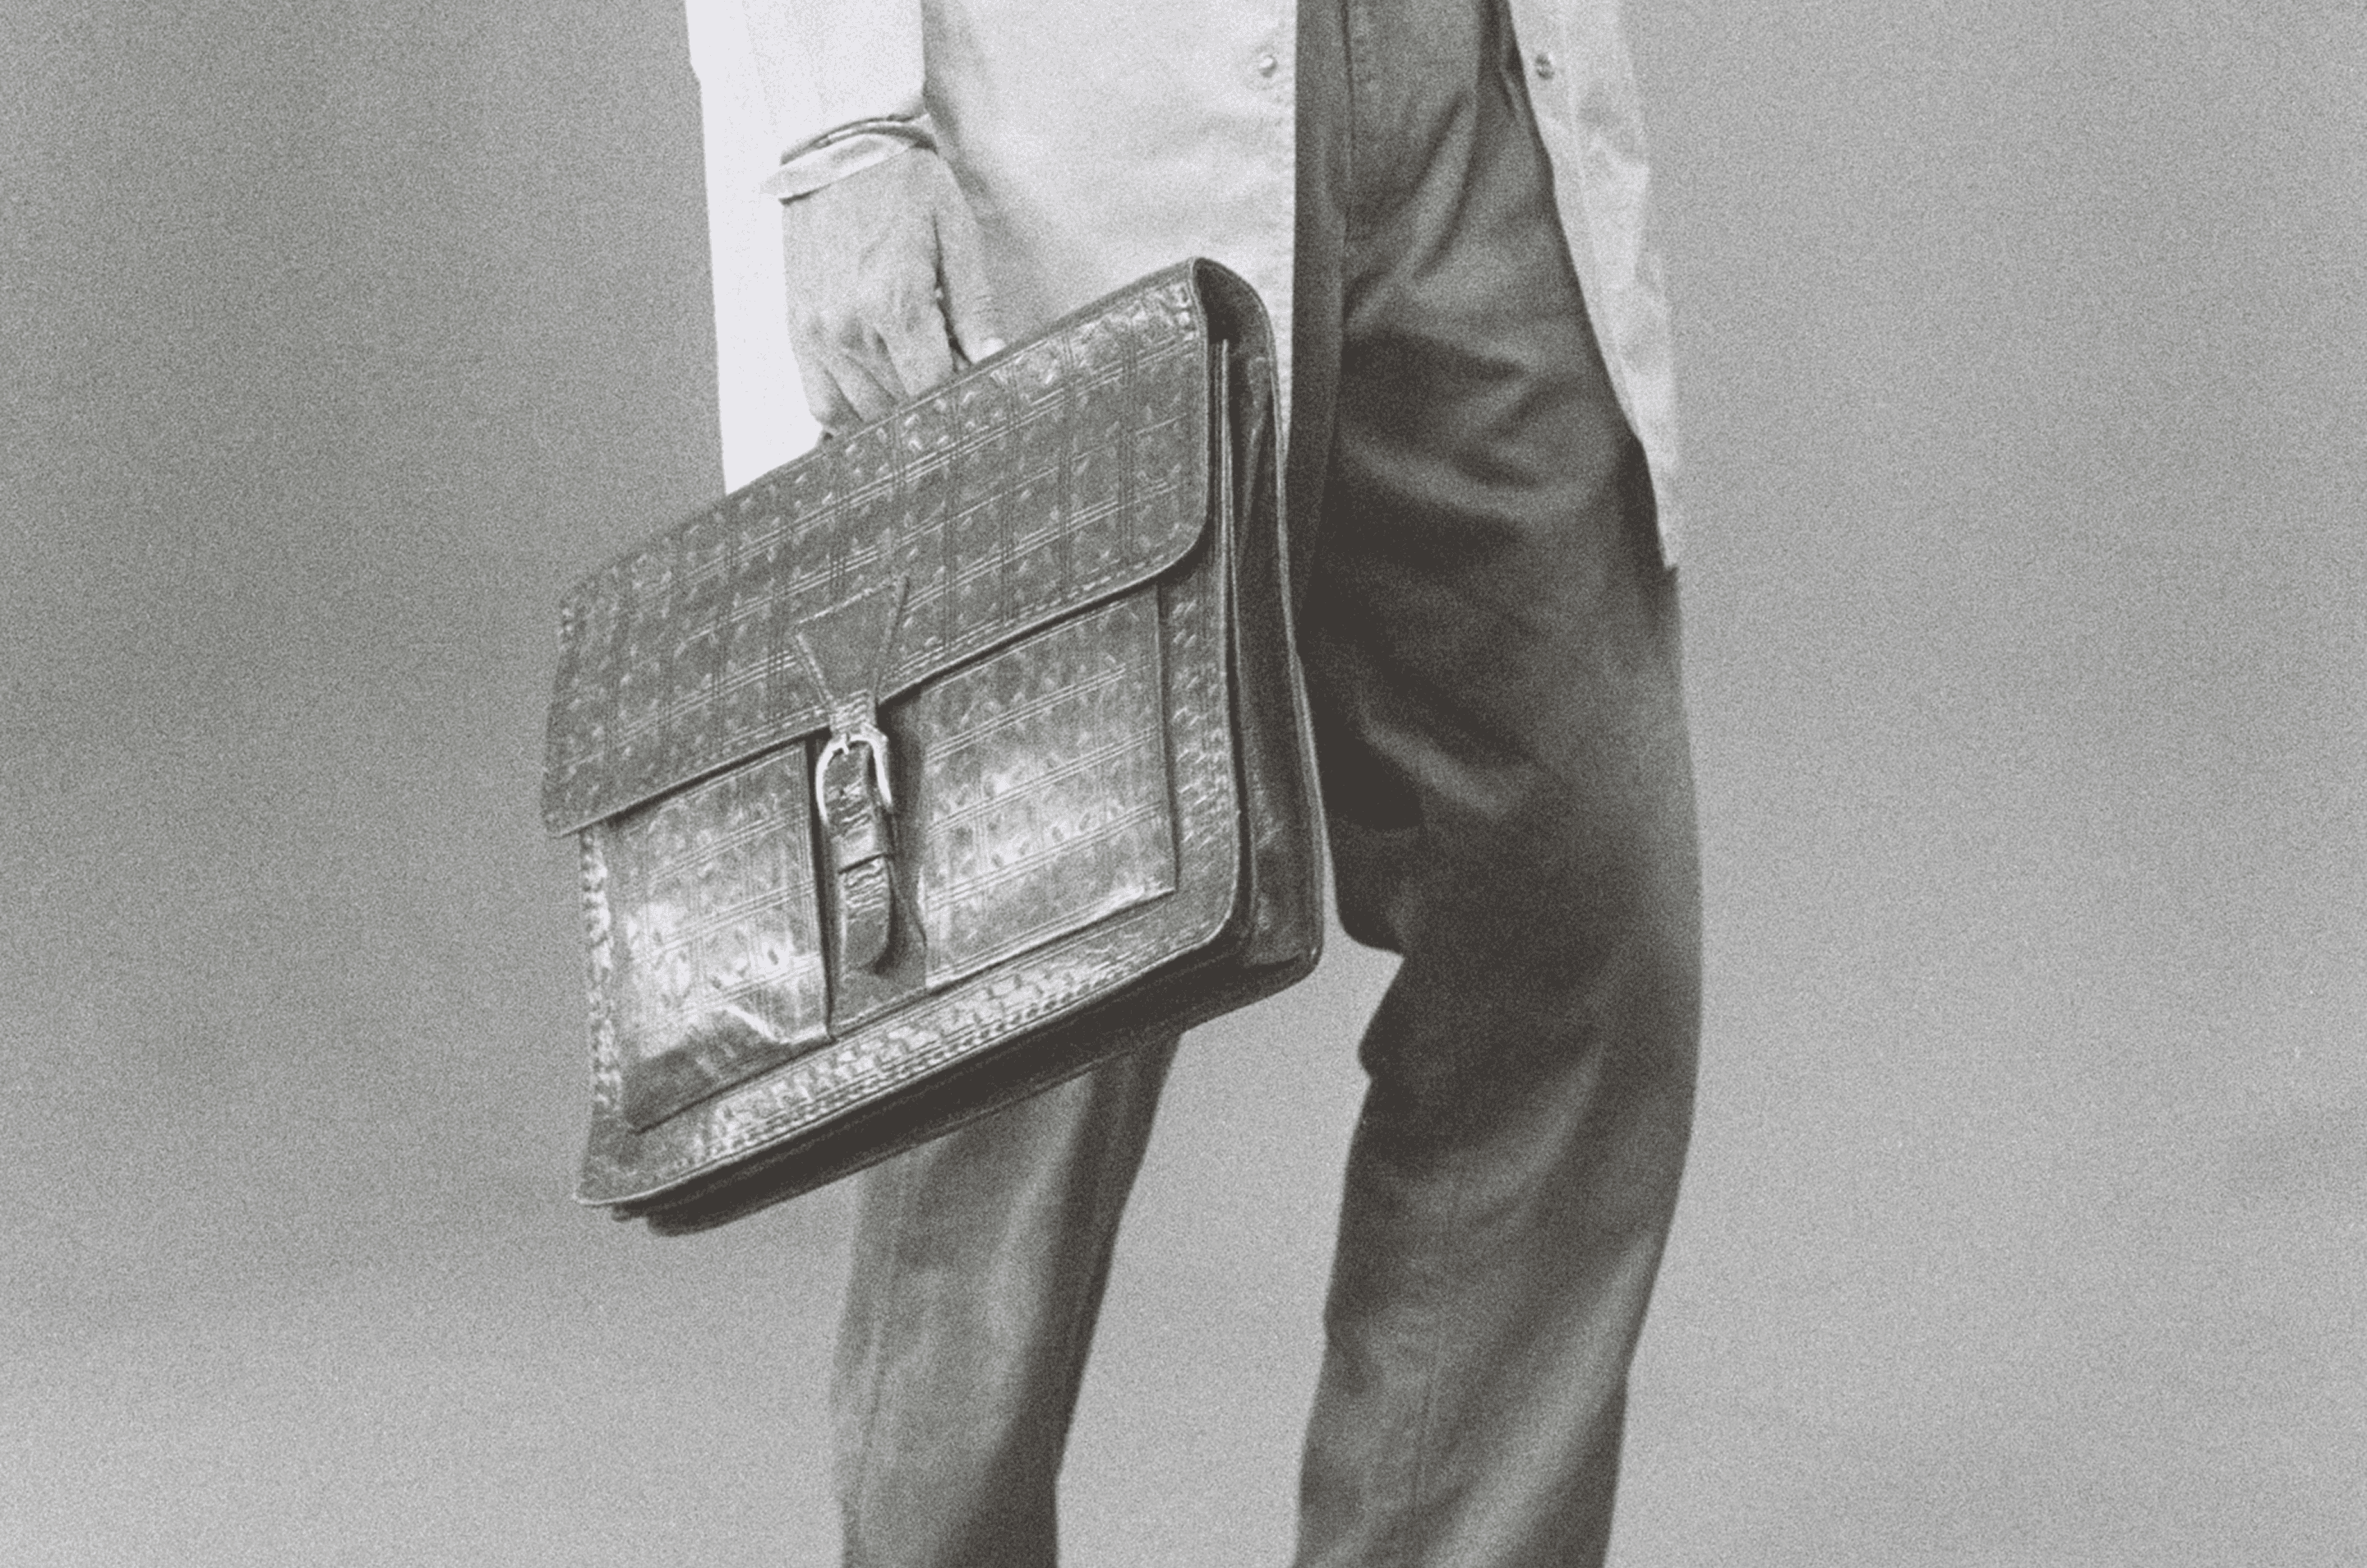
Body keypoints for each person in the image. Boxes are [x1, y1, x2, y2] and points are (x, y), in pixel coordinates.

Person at [681, 0, 1701, 1562]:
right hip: (1065, 123)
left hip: (1469, 114)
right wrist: (836, 131)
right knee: (1017, 1020)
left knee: (1569, 938)